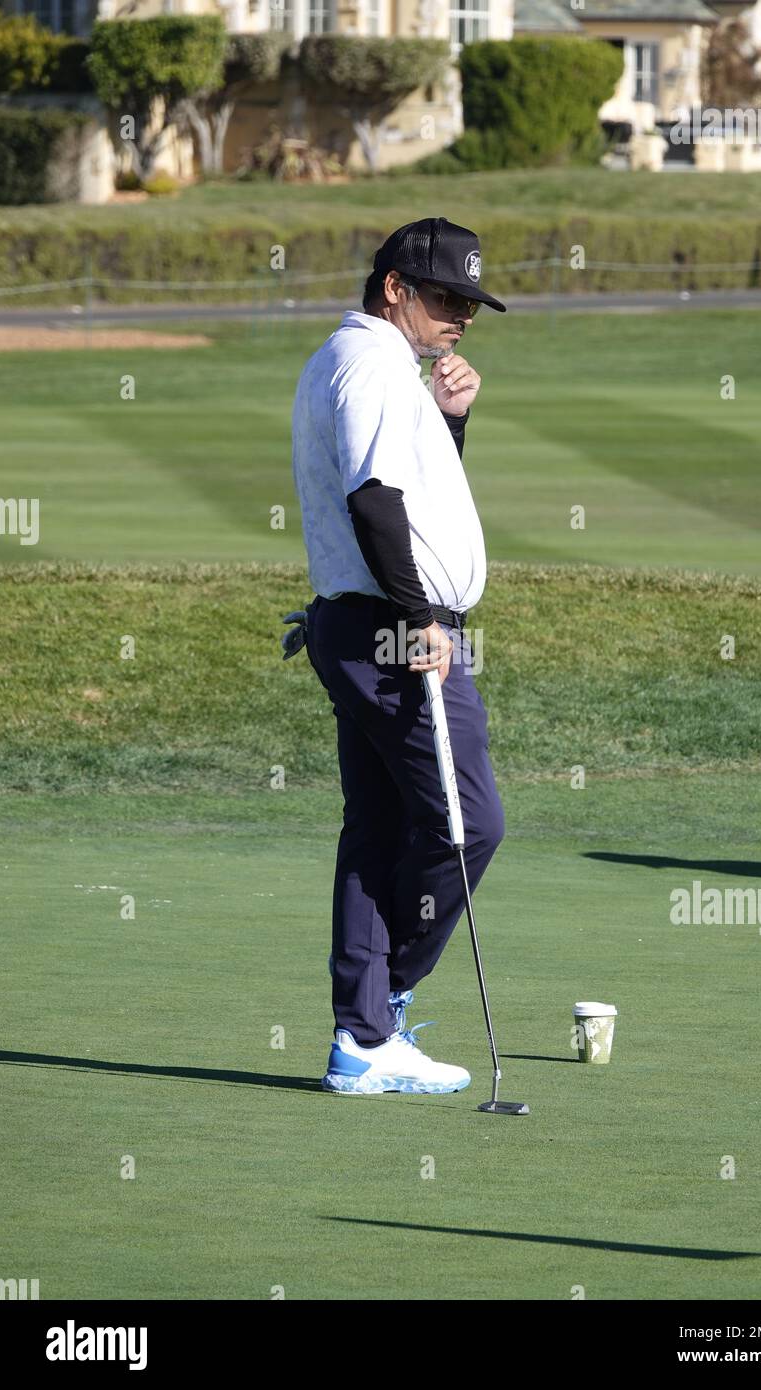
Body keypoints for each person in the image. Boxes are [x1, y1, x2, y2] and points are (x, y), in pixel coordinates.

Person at [291, 216, 507, 1096]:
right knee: (468, 825)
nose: (461, 315)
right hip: (393, 629)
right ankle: (385, 1006)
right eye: (447, 296)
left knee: (379, 827)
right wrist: (421, 619)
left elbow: (411, 495)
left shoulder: (365, 364)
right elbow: (376, 502)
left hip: (364, 622)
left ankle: (363, 1038)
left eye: (470, 302)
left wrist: (450, 421)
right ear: (394, 290)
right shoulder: (376, 364)